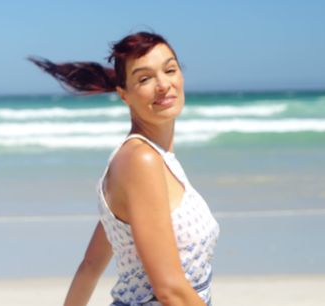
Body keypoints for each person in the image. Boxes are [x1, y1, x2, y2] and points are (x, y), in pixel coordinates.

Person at [28, 31, 220, 306]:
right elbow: (169, 290)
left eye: (170, 70)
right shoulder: (141, 161)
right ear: (124, 95)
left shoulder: (156, 158)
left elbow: (91, 265)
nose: (163, 84)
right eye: (144, 78)